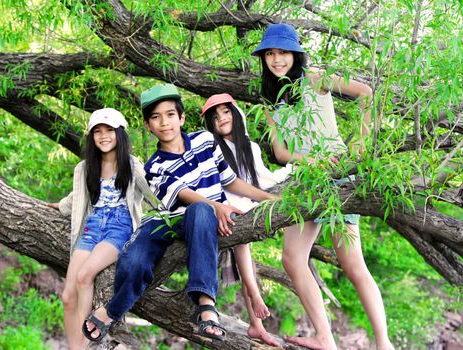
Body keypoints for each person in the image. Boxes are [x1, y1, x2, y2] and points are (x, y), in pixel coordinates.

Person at [82, 83, 277, 342]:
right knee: (135, 261)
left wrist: (270, 198)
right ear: (148, 125)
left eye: (170, 114)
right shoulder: (154, 167)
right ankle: (112, 311)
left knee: (201, 211)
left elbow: (230, 181)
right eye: (156, 117)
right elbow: (184, 195)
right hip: (167, 222)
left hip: (200, 220)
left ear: (182, 118)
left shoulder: (205, 141)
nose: (164, 122)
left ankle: (206, 305)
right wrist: (218, 206)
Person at [252, 23, 394, 350]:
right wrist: (308, 162)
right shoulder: (269, 97)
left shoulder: (315, 77)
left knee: (353, 264)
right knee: (291, 258)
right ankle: (325, 337)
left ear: (295, 54)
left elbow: (366, 93)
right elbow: (281, 152)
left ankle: (384, 343)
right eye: (270, 54)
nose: (276, 59)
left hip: (338, 176)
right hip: (305, 181)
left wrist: (360, 144)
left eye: (283, 52)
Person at [48, 108, 155, 349]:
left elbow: (153, 194)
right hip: (93, 226)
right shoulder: (86, 167)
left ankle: (86, 345)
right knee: (67, 296)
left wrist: (176, 212)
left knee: (85, 276)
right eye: (98, 131)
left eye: (109, 130)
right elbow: (79, 194)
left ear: (120, 133)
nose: (103, 135)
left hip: (120, 227)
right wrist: (61, 206)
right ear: (91, 136)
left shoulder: (131, 164)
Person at [201, 93, 295, 346]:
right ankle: (254, 295)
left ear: (236, 114)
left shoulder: (249, 147)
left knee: (248, 265)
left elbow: (261, 178)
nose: (221, 118)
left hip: (245, 203)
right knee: (242, 239)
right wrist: (262, 199)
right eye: (215, 116)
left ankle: (256, 325)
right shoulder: (212, 148)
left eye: (226, 112)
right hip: (223, 204)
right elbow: (225, 184)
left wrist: (289, 175)